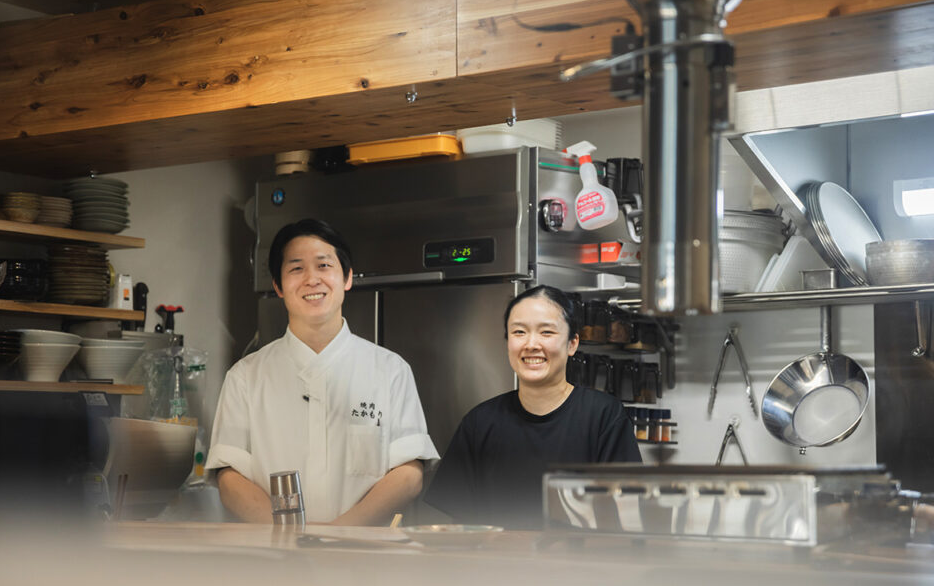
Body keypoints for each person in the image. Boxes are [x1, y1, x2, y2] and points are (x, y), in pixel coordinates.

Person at [205, 218, 438, 525]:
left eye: (324, 266)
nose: (312, 279)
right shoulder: (245, 376)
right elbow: (230, 476)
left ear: (347, 278)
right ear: (278, 286)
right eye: (296, 268)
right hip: (274, 560)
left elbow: (409, 474)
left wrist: (340, 533)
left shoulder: (390, 370)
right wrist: (290, 537)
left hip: (367, 560)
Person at [424, 285, 641, 529]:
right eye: (519, 332)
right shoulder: (479, 422)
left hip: (578, 564)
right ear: (508, 342)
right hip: (495, 564)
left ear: (572, 344)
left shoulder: (603, 416)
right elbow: (457, 524)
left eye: (546, 332)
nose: (531, 344)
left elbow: (626, 514)